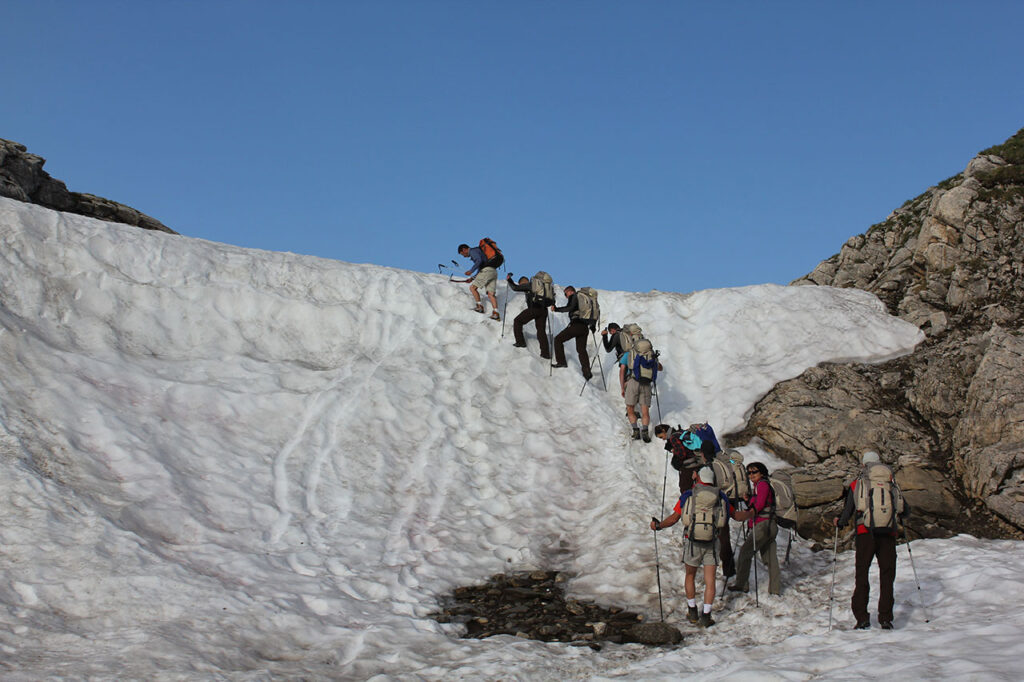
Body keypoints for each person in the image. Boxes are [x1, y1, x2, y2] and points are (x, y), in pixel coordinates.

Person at [834, 450, 910, 630]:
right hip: (888, 534)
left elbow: (849, 510)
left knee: (862, 575)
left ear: (863, 465)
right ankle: (885, 618)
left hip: (865, 532)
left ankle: (862, 618)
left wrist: (840, 522)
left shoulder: (857, 484)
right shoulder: (890, 483)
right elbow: (905, 510)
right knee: (887, 575)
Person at [651, 466, 735, 628]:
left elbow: (674, 518)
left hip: (692, 541)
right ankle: (706, 615)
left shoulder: (688, 495)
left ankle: (692, 611)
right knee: (710, 580)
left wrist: (658, 526)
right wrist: (752, 512)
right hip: (712, 541)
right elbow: (736, 515)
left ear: (698, 477)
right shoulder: (721, 496)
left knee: (690, 575)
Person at [729, 461, 781, 596]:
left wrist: (746, 513)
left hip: (763, 525)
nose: (751, 475)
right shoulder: (761, 486)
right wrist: (749, 501)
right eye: (749, 472)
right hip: (770, 524)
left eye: (754, 472)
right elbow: (761, 503)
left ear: (762, 473)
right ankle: (775, 589)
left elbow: (759, 505)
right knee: (771, 558)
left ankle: (741, 584)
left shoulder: (762, 485)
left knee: (745, 552)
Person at [550, 285, 595, 380]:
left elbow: (569, 308)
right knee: (581, 350)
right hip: (584, 328)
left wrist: (557, 309)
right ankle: (587, 371)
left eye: (566, 294)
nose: (566, 297)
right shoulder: (586, 301)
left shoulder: (574, 296)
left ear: (569, 292)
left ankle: (561, 362)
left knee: (558, 339)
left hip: (576, 325)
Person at [620, 341, 662, 442]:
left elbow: (624, 369)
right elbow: (660, 368)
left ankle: (635, 430)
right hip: (646, 384)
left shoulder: (631, 354)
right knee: (645, 411)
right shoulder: (652, 355)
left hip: (633, 382)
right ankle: (645, 431)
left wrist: (623, 386)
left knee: (630, 408)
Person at [506, 274, 552, 359]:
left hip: (534, 309)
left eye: (521, 284)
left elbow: (515, 288)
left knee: (517, 321)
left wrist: (509, 280)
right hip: (544, 310)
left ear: (523, 282)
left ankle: (520, 342)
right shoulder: (541, 287)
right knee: (541, 331)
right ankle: (545, 353)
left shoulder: (529, 284)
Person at [457, 242, 500, 320]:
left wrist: (471, 271)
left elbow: (479, 261)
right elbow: (480, 268)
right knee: (491, 294)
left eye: (462, 254)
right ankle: (496, 312)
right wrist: (472, 278)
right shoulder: (479, 251)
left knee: (472, 288)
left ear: (464, 250)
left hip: (486, 271)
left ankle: (479, 306)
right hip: (493, 271)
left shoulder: (473, 251)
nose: (463, 256)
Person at [655, 425, 704, 491]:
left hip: (689, 465)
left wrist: (672, 450)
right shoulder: (679, 432)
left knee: (685, 489)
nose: (663, 439)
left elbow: (681, 454)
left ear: (664, 430)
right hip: (698, 459)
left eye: (661, 437)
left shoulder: (673, 437)